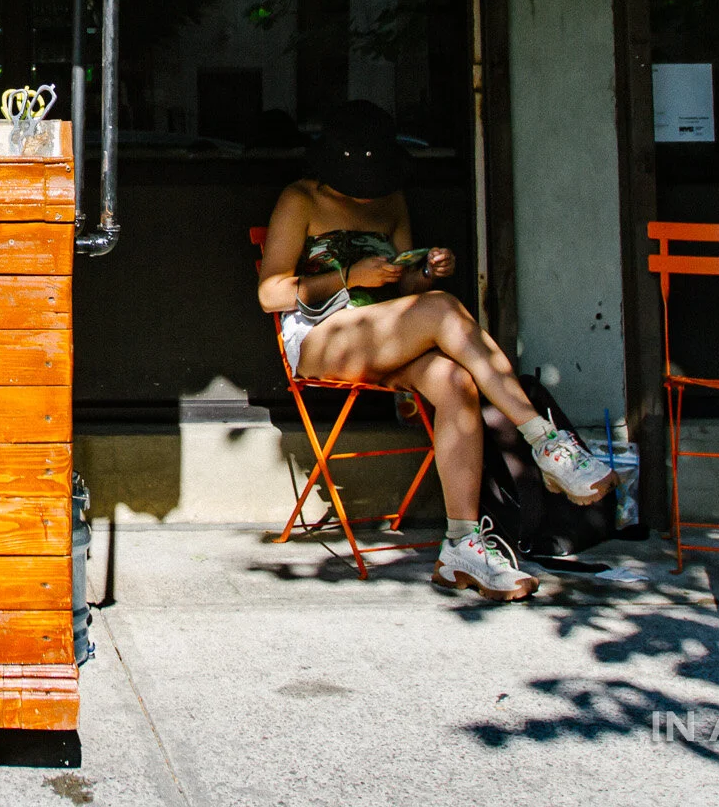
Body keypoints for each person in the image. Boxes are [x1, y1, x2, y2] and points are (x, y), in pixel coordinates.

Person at [257, 101, 617, 604]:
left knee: (455, 380)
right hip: (324, 336)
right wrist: (348, 277)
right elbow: (270, 293)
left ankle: (462, 545)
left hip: (387, 332)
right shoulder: (300, 199)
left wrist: (425, 270)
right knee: (444, 309)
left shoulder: (391, 198)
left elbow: (403, 283)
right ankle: (544, 440)